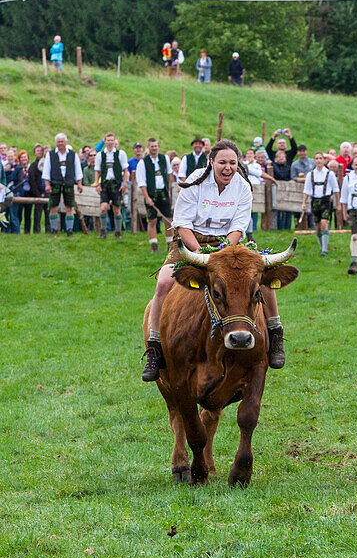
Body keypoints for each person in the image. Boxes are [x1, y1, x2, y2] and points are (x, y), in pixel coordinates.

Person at [141, 139, 287, 381]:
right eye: (222, 162)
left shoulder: (242, 186)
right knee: (164, 283)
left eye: (232, 162)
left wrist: (223, 254)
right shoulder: (195, 181)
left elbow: (239, 226)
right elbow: (182, 223)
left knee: (262, 275)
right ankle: (154, 347)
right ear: (211, 162)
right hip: (190, 241)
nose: (227, 167)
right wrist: (198, 253)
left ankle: (275, 331)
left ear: (238, 163)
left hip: (226, 243)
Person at [136, 137, 174, 253]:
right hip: (151, 194)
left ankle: (170, 245)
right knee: (152, 220)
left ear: (158, 147)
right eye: (152, 146)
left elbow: (169, 174)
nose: (154, 148)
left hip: (163, 193)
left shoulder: (164, 159)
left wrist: (168, 190)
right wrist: (147, 197)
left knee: (168, 219)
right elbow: (141, 182)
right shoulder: (143, 162)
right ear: (148, 147)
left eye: (156, 146)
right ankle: (154, 246)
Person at [42, 133, 83, 237]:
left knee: (69, 207)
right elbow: (46, 171)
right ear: (56, 143)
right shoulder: (50, 154)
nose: (60, 143)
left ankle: (69, 231)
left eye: (62, 141)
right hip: (55, 183)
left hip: (68, 183)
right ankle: (54, 230)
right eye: (58, 142)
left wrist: (79, 184)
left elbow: (78, 171)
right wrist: (47, 185)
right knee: (53, 207)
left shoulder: (73, 154)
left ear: (66, 142)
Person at [303, 151, 340, 255]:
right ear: (314, 161)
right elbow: (306, 190)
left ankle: (324, 250)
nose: (319, 160)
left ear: (324, 161)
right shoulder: (310, 174)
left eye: (320, 158)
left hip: (326, 200)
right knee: (318, 227)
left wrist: (338, 204)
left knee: (324, 223)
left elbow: (336, 189)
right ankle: (321, 245)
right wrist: (303, 203)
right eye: (317, 158)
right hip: (315, 201)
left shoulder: (330, 174)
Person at [94, 132, 128, 239]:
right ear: (105, 141)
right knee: (103, 207)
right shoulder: (100, 155)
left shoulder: (120, 154)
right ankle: (103, 231)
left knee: (116, 209)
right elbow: (97, 171)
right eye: (108, 140)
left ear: (114, 141)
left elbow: (125, 169)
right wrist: (97, 184)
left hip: (116, 183)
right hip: (104, 184)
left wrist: (124, 184)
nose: (110, 142)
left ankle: (118, 232)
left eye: (111, 140)